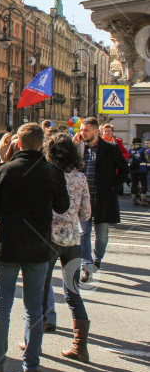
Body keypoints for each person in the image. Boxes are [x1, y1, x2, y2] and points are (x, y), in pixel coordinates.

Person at [0, 123, 70, 372]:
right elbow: (63, 207)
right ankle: (31, 366)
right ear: (41, 144)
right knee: (33, 307)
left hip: (6, 245)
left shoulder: (3, 171)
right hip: (38, 247)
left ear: (18, 143)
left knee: (2, 306)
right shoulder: (52, 172)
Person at [40, 133, 92, 363]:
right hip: (72, 239)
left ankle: (33, 340)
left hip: (48, 237)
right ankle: (80, 346)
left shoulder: (47, 174)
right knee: (72, 292)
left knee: (40, 287)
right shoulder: (80, 177)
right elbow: (87, 213)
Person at [76, 117, 128, 283]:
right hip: (84, 200)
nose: (82, 133)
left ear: (96, 131)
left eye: (86, 130)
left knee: (102, 236)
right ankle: (87, 266)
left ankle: (97, 259)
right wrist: (73, 144)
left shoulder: (110, 148)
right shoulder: (80, 148)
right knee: (83, 234)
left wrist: (114, 187)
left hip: (103, 199)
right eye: (81, 130)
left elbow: (124, 169)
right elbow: (66, 164)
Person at [127, 137, 148, 206]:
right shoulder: (143, 150)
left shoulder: (130, 150)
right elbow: (147, 159)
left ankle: (134, 200)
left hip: (132, 169)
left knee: (134, 184)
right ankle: (143, 200)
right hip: (142, 169)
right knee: (143, 184)